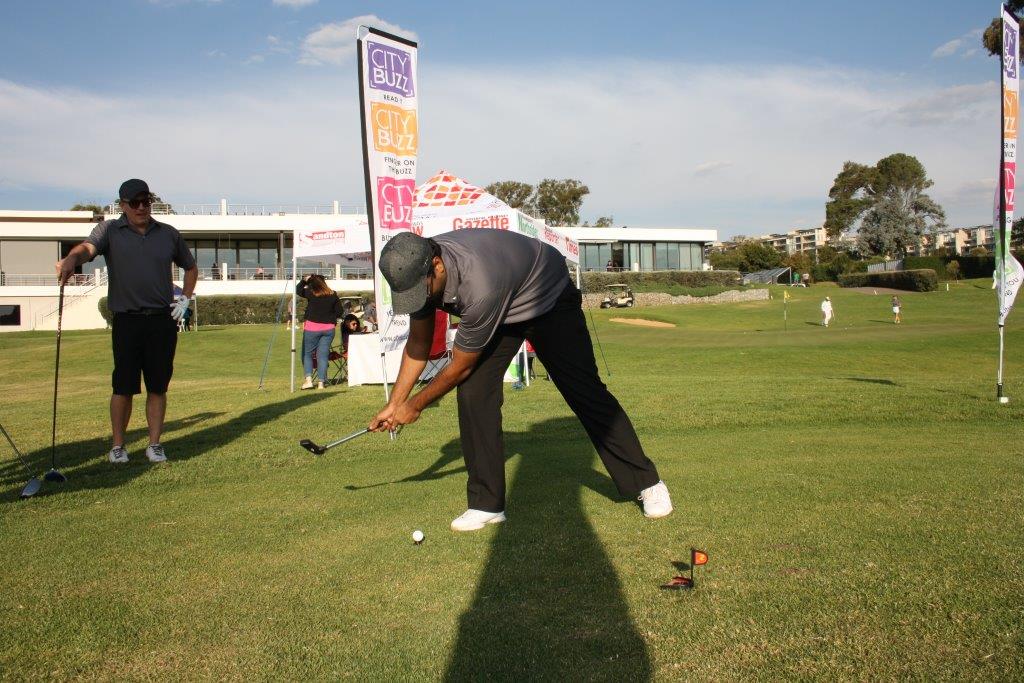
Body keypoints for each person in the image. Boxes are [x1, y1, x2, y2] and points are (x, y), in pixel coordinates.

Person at [369, 230, 672, 532]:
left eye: (419, 290)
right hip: (504, 305)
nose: (417, 298)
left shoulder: (479, 282)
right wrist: (395, 404)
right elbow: (418, 344)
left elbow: (461, 366)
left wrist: (415, 406)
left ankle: (647, 483)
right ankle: (486, 504)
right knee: (474, 394)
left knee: (583, 390)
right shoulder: (415, 270)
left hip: (547, 297)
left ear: (436, 266)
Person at [55, 179, 198, 464]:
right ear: (123, 205)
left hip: (161, 320)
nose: (142, 207)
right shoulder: (109, 230)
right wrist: (71, 259)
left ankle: (154, 444)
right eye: (135, 203)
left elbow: (191, 268)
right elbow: (87, 249)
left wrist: (185, 298)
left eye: (146, 202)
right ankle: (118, 446)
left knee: (158, 386)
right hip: (127, 321)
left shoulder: (168, 234)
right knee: (123, 386)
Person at [296, 273, 341, 389]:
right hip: (329, 329)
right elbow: (339, 311)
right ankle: (321, 383)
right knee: (323, 356)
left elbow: (298, 290)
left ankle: (309, 381)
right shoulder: (333, 294)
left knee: (307, 354)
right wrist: (331, 318)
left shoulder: (311, 293)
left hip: (312, 328)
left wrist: (304, 281)